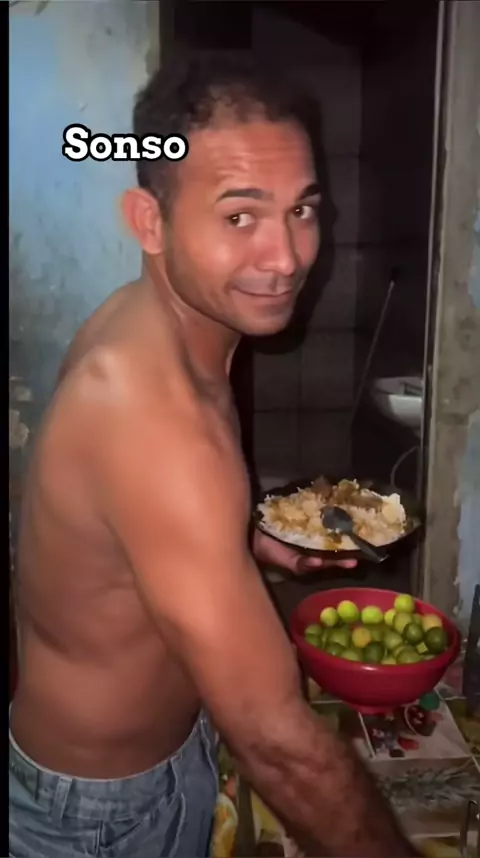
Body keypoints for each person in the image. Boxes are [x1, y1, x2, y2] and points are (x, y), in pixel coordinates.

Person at [10, 53, 419, 858]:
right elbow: (278, 743)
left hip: (155, 759)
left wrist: (246, 539)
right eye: (240, 217)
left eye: (303, 210)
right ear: (149, 221)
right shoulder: (152, 412)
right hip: (103, 816)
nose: (287, 256)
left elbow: (130, 530)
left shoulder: (143, 321)